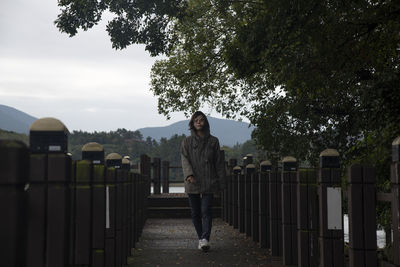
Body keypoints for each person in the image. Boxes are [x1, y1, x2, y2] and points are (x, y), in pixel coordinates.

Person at [181, 111, 226, 252]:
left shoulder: (214, 141)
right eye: (196, 120)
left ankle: (205, 238)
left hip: (209, 179)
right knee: (195, 212)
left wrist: (221, 183)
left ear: (205, 122)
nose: (199, 122)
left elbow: (219, 163)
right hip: (192, 180)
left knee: (206, 210)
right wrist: (189, 174)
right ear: (192, 124)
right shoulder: (187, 142)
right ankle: (201, 238)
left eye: (201, 120)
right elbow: (184, 159)